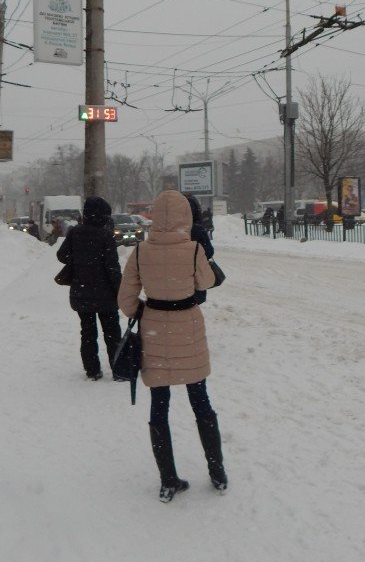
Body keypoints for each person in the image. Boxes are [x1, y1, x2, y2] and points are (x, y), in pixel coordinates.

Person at [118, 189, 224, 503]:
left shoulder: (139, 251)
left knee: (159, 406)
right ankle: (217, 472)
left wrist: (144, 312)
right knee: (200, 400)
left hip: (154, 332)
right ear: (185, 217)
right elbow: (205, 283)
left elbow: (125, 299)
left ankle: (168, 480)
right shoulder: (193, 250)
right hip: (188, 328)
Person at [56, 197, 122, 381]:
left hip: (82, 292)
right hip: (106, 294)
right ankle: (118, 369)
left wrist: (80, 260)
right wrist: (122, 291)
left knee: (87, 332)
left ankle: (93, 370)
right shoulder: (105, 235)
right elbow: (113, 268)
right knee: (112, 333)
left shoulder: (75, 232)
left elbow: (62, 255)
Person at [185, 194, 214, 306]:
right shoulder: (198, 229)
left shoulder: (171, 229)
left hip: (173, 281)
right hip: (195, 277)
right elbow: (209, 252)